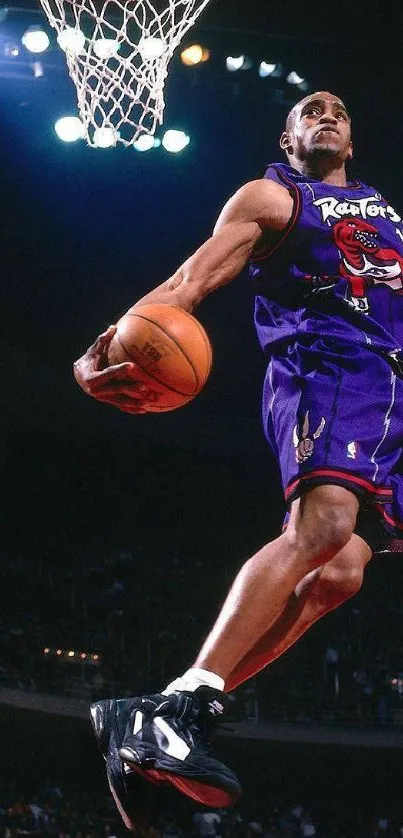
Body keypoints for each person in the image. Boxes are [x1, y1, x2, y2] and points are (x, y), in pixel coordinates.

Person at [75, 91, 403, 827]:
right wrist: (95, 352)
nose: (325, 112)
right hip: (326, 363)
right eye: (308, 109)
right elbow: (187, 284)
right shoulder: (273, 195)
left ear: (351, 139)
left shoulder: (384, 210)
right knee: (320, 527)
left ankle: (164, 713)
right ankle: (181, 705)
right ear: (287, 137)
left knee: (341, 572)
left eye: (339, 110)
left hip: (390, 388)